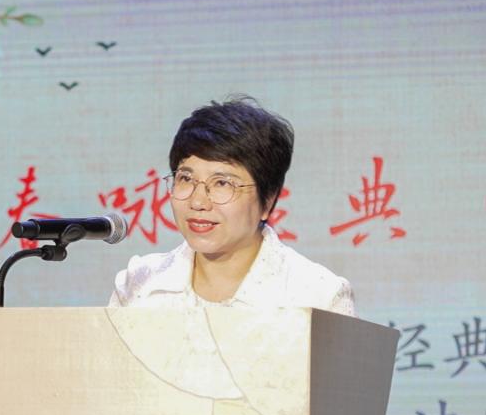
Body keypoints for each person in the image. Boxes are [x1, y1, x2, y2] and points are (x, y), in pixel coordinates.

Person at [108, 96, 356, 317]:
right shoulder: (139, 284)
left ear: (267, 201)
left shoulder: (318, 296)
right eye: (186, 178)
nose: (198, 202)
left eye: (222, 183)